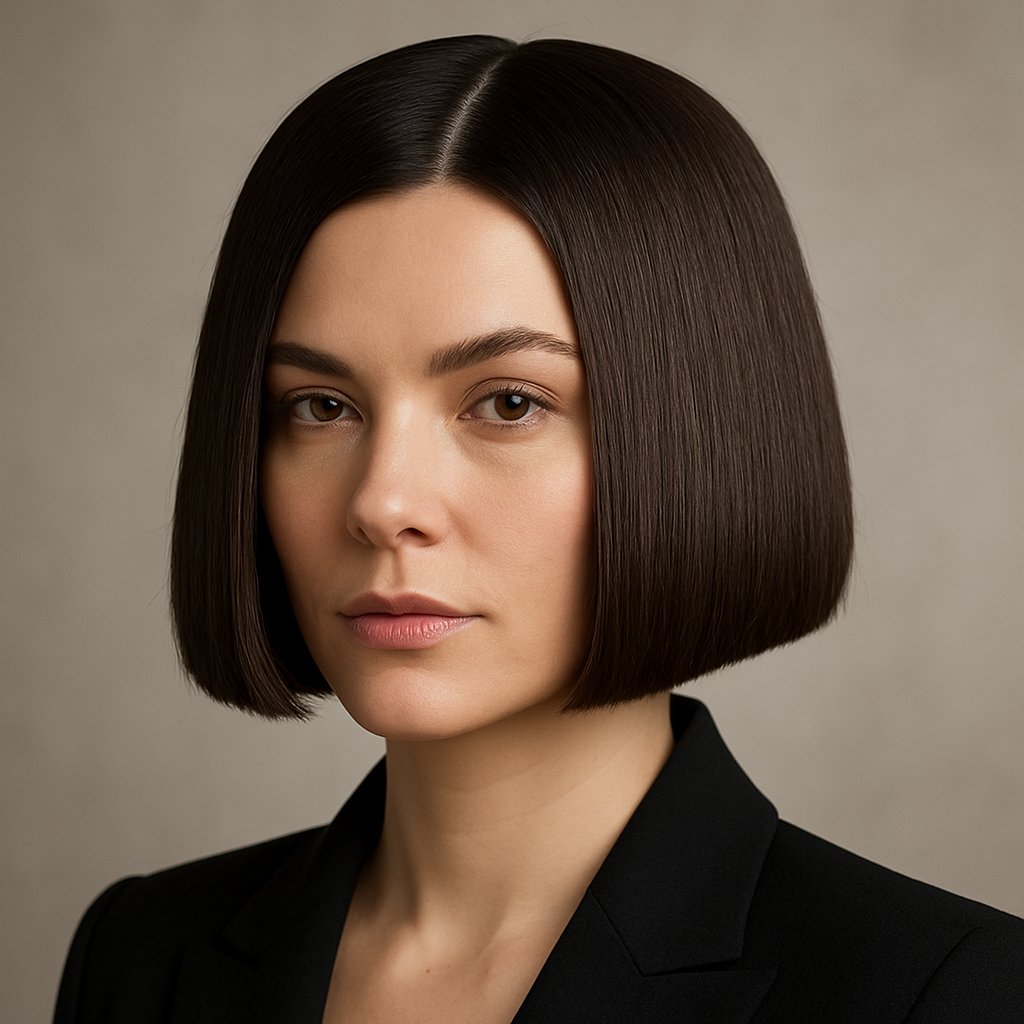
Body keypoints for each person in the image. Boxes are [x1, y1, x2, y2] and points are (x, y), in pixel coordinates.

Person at [53, 34, 1024, 1024]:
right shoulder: (139, 957)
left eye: (507, 403)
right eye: (321, 406)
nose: (383, 501)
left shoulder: (945, 993)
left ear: (696, 436)